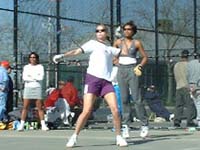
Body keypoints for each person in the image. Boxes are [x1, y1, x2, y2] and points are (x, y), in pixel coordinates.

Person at [53, 24, 128, 147]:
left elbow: (125, 51)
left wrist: (121, 38)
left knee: (115, 110)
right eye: (97, 31)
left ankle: (119, 137)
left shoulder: (111, 48)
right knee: (86, 110)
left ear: (107, 33)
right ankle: (74, 136)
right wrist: (62, 56)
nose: (99, 33)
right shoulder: (92, 43)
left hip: (107, 82)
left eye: (102, 30)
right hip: (92, 80)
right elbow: (77, 51)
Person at [113, 20, 149, 138]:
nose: (127, 31)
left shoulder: (137, 43)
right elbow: (112, 55)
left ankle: (144, 124)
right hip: (121, 70)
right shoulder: (118, 42)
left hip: (133, 70)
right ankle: (126, 126)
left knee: (137, 98)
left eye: (129, 29)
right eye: (125, 29)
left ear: (133, 31)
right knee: (124, 99)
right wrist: (116, 61)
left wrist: (140, 66)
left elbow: (145, 57)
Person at [17, 52, 49, 131]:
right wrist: (34, 77)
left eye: (34, 57)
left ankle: (43, 125)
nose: (32, 59)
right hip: (28, 88)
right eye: (31, 57)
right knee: (25, 107)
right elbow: (25, 78)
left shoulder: (40, 67)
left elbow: (41, 77)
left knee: (40, 107)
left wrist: (31, 77)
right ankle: (21, 125)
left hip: (37, 88)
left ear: (37, 58)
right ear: (29, 59)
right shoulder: (26, 67)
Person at [173, 50, 196, 127]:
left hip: (178, 86)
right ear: (188, 56)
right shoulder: (189, 65)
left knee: (178, 105)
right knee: (189, 105)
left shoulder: (176, 65)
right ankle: (190, 121)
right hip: (187, 87)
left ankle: (176, 121)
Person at [187, 52, 200, 126]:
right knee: (198, 103)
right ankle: (199, 119)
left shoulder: (191, 63)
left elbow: (187, 75)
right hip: (197, 86)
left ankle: (198, 120)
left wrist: (190, 85)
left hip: (192, 85)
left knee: (197, 103)